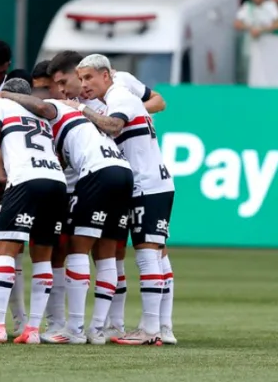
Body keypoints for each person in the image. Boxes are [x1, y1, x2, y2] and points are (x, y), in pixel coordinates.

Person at [43, 49, 171, 342]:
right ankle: (127, 326)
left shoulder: (121, 91)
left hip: (143, 182)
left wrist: (81, 110)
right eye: (80, 79)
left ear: (105, 75)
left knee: (148, 254)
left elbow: (143, 109)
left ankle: (151, 328)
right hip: (131, 180)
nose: (80, 85)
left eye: (85, 78)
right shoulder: (105, 100)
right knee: (125, 254)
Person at [0, 85, 133, 345]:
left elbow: (44, 108)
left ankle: (75, 329)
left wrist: (4, 95)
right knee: (108, 254)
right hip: (123, 171)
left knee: (78, 248)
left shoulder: (53, 108)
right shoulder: (82, 117)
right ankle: (98, 329)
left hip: (96, 172)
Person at [0, 78, 66, 344]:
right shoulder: (42, 117)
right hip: (56, 182)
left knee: (5, 250)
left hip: (25, 179)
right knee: (42, 256)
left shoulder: (3, 104)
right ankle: (32, 330)